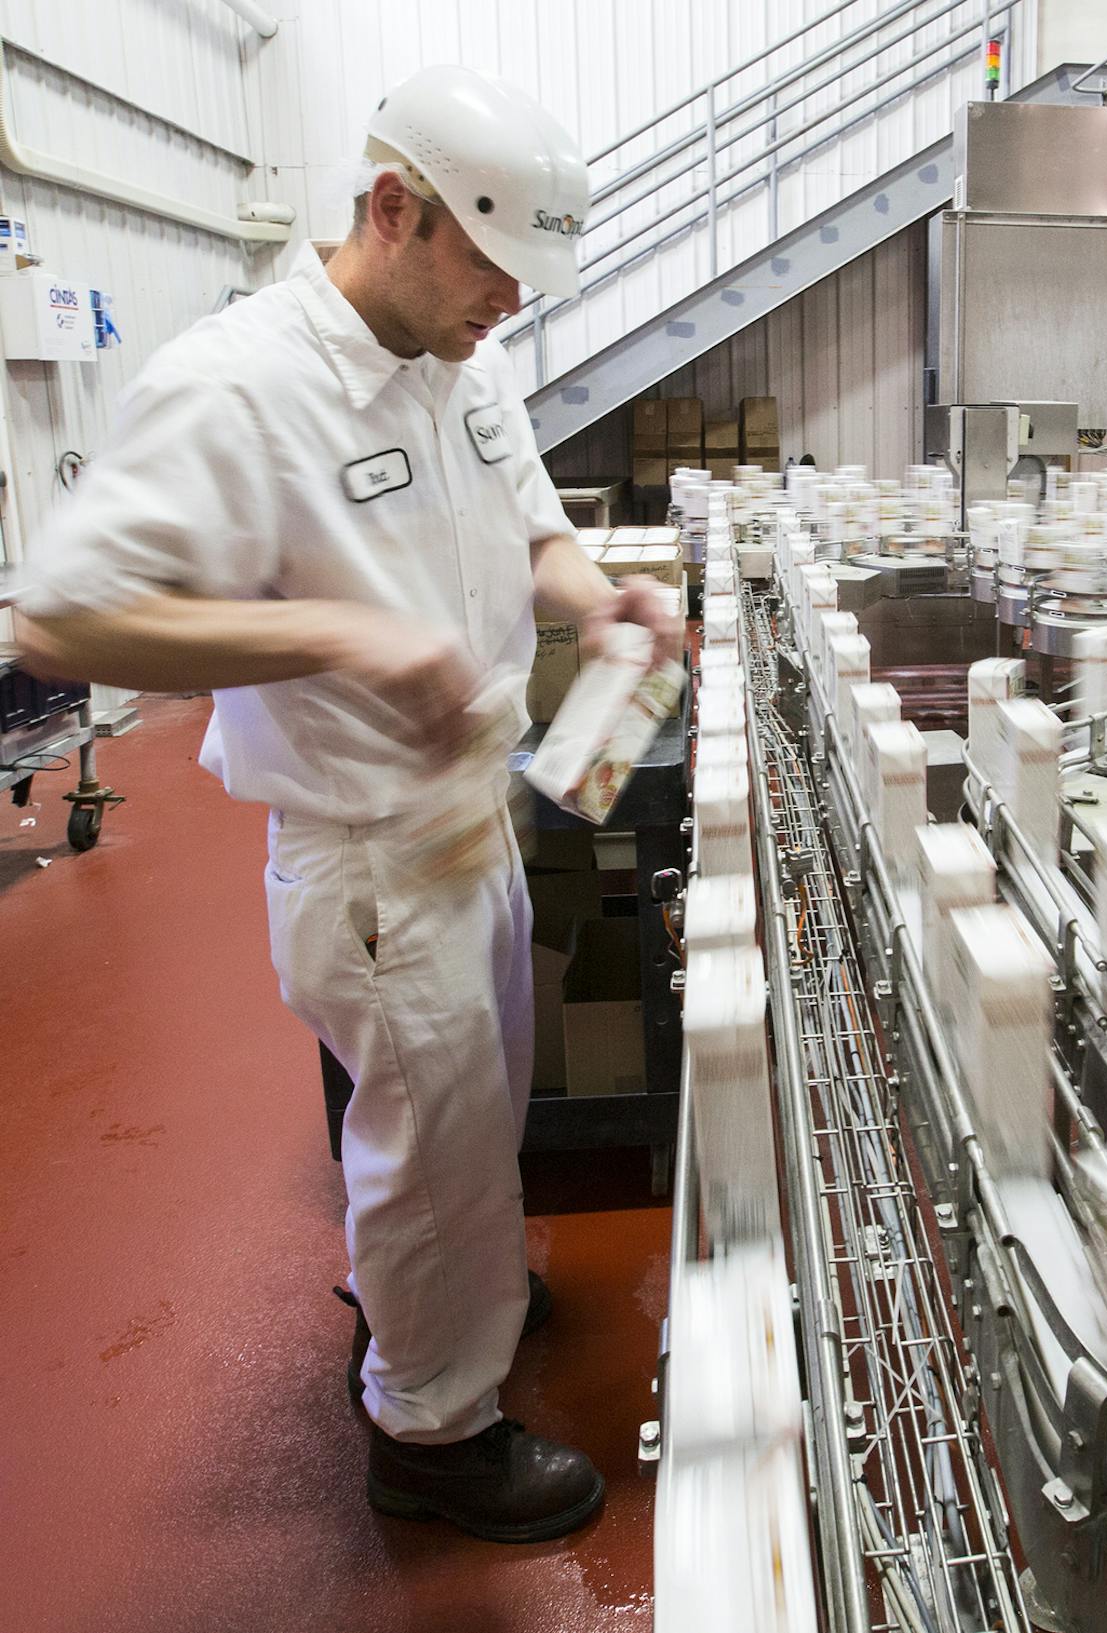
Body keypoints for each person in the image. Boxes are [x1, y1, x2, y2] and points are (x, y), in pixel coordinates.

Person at [13, 65, 680, 1543]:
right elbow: (60, 624)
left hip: (472, 823)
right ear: (398, 209)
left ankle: (452, 1289)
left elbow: (533, 535)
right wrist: (329, 630)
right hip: (366, 854)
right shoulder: (236, 383)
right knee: (427, 1138)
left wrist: (605, 598)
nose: (506, 305)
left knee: (473, 1115)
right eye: (495, 272)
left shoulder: (463, 352)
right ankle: (430, 1432)